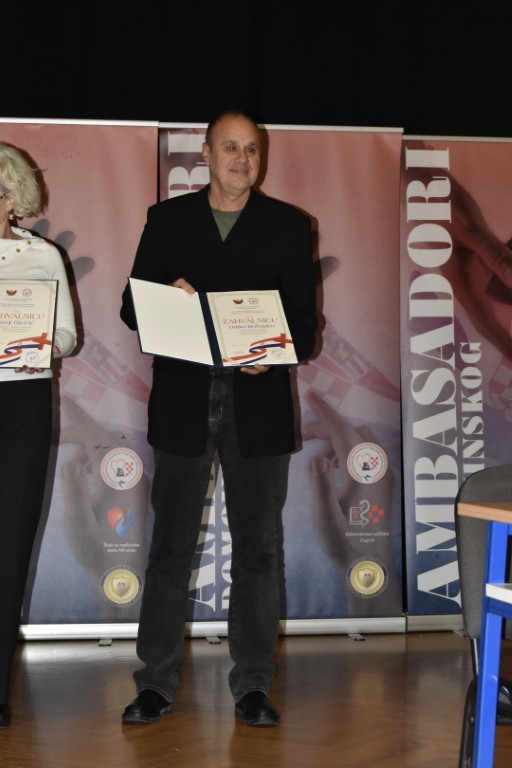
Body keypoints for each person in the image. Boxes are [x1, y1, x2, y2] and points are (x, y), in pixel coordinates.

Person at [120, 109, 317, 727]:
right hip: (183, 402)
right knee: (169, 550)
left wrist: (272, 353)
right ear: (205, 153)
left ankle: (253, 684)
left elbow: (304, 328)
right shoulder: (167, 220)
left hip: (258, 407)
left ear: (262, 157)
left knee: (258, 550)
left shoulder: (289, 226)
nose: (241, 159)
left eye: (251, 149)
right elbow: (131, 308)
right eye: (230, 147)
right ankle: (154, 683)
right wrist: (167, 299)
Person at [0, 142, 77, 729]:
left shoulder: (44, 256)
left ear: (13, 198)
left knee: (10, 542)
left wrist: (40, 338)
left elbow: (68, 337)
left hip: (23, 402)